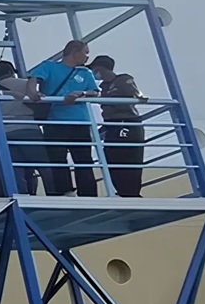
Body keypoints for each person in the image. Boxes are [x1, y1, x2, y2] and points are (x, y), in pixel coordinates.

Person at [30, 40, 101, 197]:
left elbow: (95, 92)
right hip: (55, 121)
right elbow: (34, 79)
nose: (87, 56)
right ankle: (64, 192)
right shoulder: (50, 66)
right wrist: (33, 92)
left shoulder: (85, 72)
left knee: (83, 159)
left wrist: (81, 93)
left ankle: (88, 194)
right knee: (57, 158)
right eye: (86, 51)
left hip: (79, 122)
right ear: (74, 52)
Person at [90, 55, 145, 198]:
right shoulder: (104, 87)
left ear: (101, 68)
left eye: (95, 70)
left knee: (127, 157)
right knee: (110, 156)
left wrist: (140, 96)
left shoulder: (122, 79)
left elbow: (134, 93)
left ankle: (131, 193)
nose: (95, 74)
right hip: (112, 126)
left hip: (126, 123)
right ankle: (122, 191)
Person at [0, 61, 48, 194]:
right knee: (44, 165)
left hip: (5, 132)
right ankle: (54, 193)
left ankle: (20, 196)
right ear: (12, 72)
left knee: (16, 170)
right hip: (28, 128)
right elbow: (42, 100)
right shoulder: (25, 84)